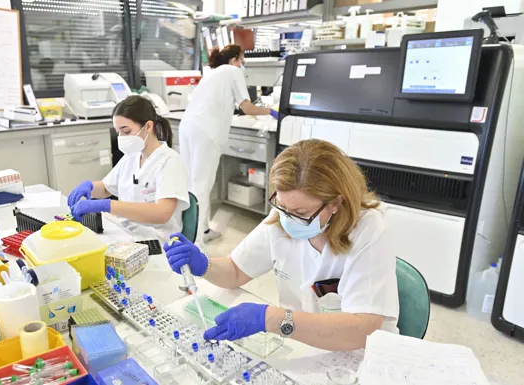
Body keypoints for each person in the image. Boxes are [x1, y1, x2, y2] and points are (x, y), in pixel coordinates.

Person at [164, 140, 399, 351]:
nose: (289, 220)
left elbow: (362, 329)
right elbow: (236, 270)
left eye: (301, 213)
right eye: (283, 207)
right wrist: (204, 264)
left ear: (336, 202)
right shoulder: (282, 218)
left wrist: (270, 319)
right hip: (301, 343)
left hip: (358, 355)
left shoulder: (369, 228)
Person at [179, 44, 278, 244]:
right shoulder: (233, 71)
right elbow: (248, 107)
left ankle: (201, 229)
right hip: (206, 132)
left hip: (188, 126)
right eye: (242, 60)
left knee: (191, 182)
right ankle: (195, 241)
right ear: (234, 59)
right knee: (201, 185)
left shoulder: (212, 73)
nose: (243, 65)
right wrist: (273, 111)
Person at [68, 95, 190, 240]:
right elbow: (107, 188)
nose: (122, 137)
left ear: (148, 127)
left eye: (126, 131)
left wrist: (107, 205)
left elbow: (161, 213)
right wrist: (88, 187)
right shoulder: (132, 157)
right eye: (118, 132)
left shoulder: (169, 162)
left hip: (157, 241)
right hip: (127, 233)